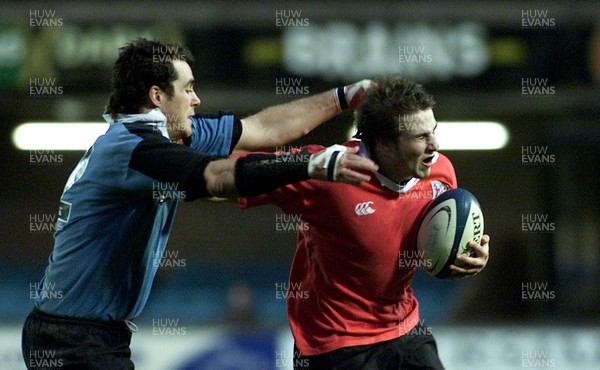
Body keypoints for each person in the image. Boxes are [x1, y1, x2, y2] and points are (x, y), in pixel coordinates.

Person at [21, 38, 378, 369]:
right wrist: (309, 165)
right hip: (71, 339)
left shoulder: (169, 135)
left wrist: (343, 98)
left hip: (86, 334)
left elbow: (265, 129)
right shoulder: (132, 148)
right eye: (188, 88)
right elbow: (216, 178)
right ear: (157, 96)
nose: (197, 100)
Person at [240, 75, 491, 369]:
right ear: (384, 142)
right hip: (335, 346)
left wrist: (465, 258)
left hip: (405, 331)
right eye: (421, 137)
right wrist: (186, 163)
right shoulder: (327, 172)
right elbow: (233, 175)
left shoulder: (440, 173)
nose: (435, 145)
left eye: (433, 131)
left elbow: (430, 246)